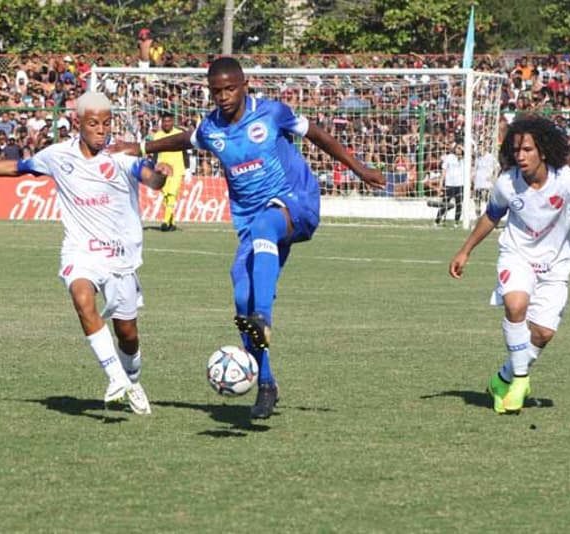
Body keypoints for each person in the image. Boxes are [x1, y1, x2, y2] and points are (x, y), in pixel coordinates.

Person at [112, 57, 385, 419]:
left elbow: (317, 134)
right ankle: (266, 384)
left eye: (229, 89)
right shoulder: (211, 128)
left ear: (245, 85)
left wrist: (359, 168)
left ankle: (264, 316)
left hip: (296, 202)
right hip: (255, 222)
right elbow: (187, 140)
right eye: (216, 91)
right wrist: (143, 147)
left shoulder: (272, 113)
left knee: (262, 243)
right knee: (241, 295)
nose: (223, 97)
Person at [0, 92, 171, 415]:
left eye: (106, 123)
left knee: (127, 334)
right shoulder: (58, 155)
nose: (101, 130)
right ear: (79, 124)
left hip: (120, 258)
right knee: (82, 299)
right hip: (80, 252)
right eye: (94, 124)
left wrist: (160, 175)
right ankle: (116, 377)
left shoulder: (122, 155)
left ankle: (132, 379)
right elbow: (16, 167)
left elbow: (151, 178)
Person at [448, 115, 570, 414]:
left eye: (527, 149)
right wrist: (465, 251)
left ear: (542, 151)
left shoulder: (567, 180)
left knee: (543, 333)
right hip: (517, 255)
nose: (520, 156)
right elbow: (491, 216)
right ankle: (520, 378)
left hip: (556, 265)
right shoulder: (507, 183)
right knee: (515, 304)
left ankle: (503, 377)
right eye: (517, 150)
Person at [151, 111, 189, 231]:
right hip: (163, 170)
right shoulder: (157, 135)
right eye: (165, 121)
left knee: (172, 194)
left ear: (173, 122)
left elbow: (185, 152)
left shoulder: (179, 134)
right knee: (166, 196)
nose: (167, 123)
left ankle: (165, 222)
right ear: (162, 122)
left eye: (169, 121)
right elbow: (155, 154)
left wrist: (188, 169)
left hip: (177, 169)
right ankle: (172, 223)